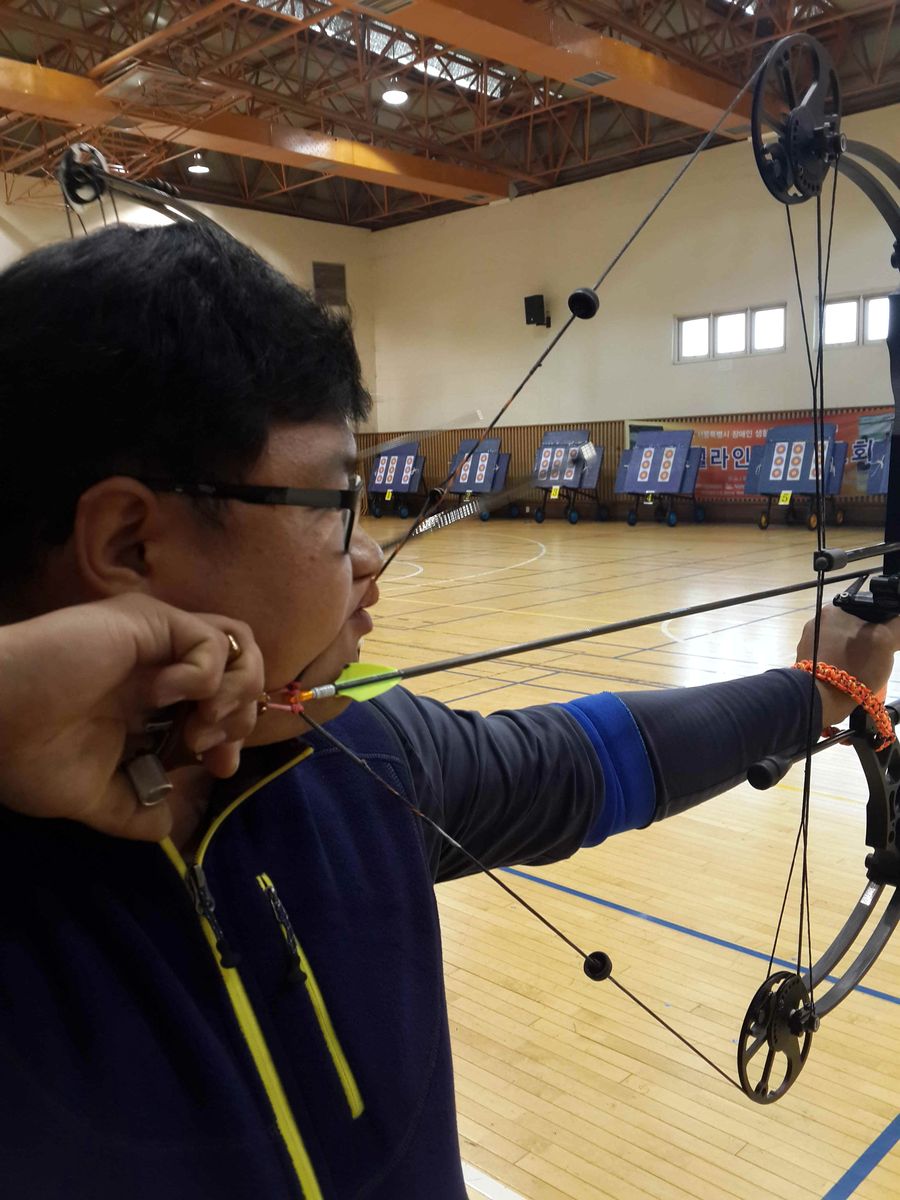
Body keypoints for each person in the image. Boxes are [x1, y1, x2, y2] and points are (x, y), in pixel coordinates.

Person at [0, 222, 896, 1200]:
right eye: (336, 506)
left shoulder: (359, 749)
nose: (369, 557)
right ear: (129, 544)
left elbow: (584, 761)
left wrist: (813, 692)